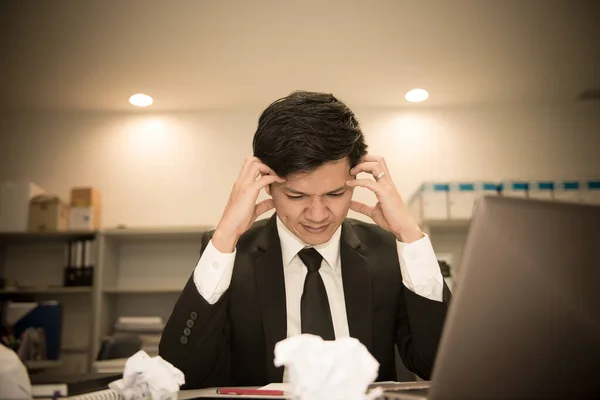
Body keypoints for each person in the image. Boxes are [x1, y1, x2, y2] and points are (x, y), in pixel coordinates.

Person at [159, 91, 450, 389]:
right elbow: (182, 372)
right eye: (296, 196)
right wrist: (224, 237)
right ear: (266, 185)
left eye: (335, 194)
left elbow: (437, 366)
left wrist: (410, 236)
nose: (317, 214)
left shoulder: (388, 251)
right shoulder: (230, 253)